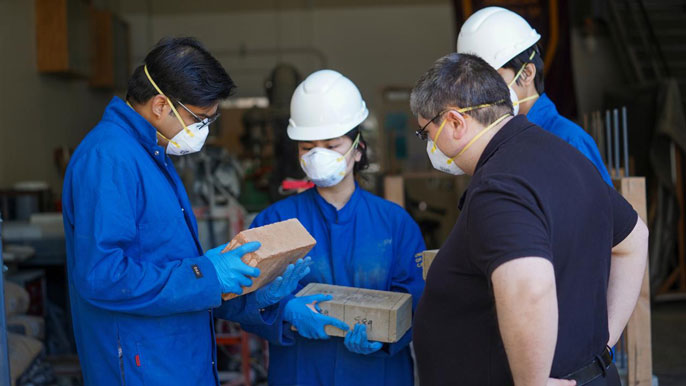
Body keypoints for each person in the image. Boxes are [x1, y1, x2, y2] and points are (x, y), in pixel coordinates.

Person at [62, 37, 310, 385]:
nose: (203, 130)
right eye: (200, 119)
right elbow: (102, 276)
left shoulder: (151, 154)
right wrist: (208, 273)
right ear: (161, 105)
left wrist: (251, 295)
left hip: (172, 356)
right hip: (141, 365)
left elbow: (168, 264)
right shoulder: (110, 158)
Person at [409, 53, 648, 386]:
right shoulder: (564, 154)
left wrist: (531, 382)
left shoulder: (499, 186)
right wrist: (605, 342)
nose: (431, 145)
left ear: (455, 122)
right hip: (590, 373)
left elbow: (529, 287)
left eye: (426, 133)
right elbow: (635, 237)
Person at [239, 69, 426, 386]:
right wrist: (284, 312)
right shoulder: (274, 223)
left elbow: (419, 300)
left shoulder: (394, 224)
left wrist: (385, 338)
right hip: (302, 372)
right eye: (307, 146)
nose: (318, 156)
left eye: (332, 145)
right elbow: (241, 301)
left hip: (376, 374)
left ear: (357, 148)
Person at [457, 6, 613, 185]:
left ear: (526, 74)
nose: (483, 91)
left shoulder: (569, 141)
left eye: (493, 79)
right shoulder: (494, 145)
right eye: (477, 83)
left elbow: (603, 211)